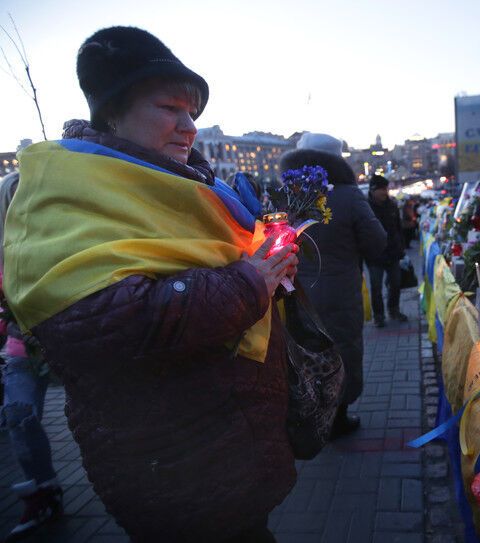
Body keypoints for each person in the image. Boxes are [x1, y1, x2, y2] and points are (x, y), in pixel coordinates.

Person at [3, 26, 299, 541]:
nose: (189, 127)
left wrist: (269, 269)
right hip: (175, 469)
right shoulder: (71, 190)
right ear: (113, 112)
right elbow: (98, 323)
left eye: (192, 113)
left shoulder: (185, 182)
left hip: (230, 444)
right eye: (169, 108)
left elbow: (203, 264)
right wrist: (247, 282)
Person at [283, 133, 387, 437]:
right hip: (341, 294)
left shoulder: (288, 193)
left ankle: (309, 417)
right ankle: (338, 417)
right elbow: (377, 242)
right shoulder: (348, 194)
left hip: (296, 294)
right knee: (343, 351)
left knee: (304, 354)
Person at [0, 172, 63, 541]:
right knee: (19, 414)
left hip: (68, 346)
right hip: (21, 350)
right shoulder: (5, 249)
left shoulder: (62, 238)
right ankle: (43, 492)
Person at [365, 175, 407, 328]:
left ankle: (394, 310)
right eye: (382, 189)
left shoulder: (392, 205)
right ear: (373, 190)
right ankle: (379, 316)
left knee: (395, 283)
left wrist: (401, 247)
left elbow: (398, 228)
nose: (385, 192)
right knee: (376, 287)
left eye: (386, 189)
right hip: (374, 256)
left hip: (393, 253)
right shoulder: (365, 207)